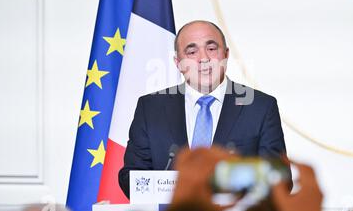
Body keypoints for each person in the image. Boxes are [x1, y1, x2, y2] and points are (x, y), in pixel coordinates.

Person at [119, 20, 289, 198]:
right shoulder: (150, 108)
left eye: (212, 48)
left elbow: (280, 179)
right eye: (192, 52)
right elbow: (131, 177)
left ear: (226, 54)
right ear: (178, 63)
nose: (204, 58)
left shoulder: (260, 107)